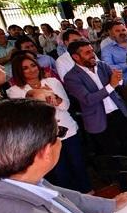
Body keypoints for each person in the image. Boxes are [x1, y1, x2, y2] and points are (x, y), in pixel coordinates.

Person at [64, 40, 127, 190]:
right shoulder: (71, 77)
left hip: (117, 111)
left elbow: (117, 84)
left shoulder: (101, 66)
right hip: (98, 118)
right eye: (87, 53)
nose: (92, 54)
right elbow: (88, 99)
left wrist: (117, 80)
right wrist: (111, 85)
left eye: (92, 51)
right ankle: (123, 183)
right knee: (112, 153)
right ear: (76, 57)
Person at [7, 53, 91, 193]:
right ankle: (69, 199)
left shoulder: (53, 82)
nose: (31, 70)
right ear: (19, 72)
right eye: (25, 68)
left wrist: (56, 99)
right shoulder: (15, 91)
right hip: (45, 137)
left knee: (78, 164)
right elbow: (27, 118)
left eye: (33, 65)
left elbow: (65, 106)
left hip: (68, 130)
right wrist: (39, 99)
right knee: (59, 170)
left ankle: (88, 192)